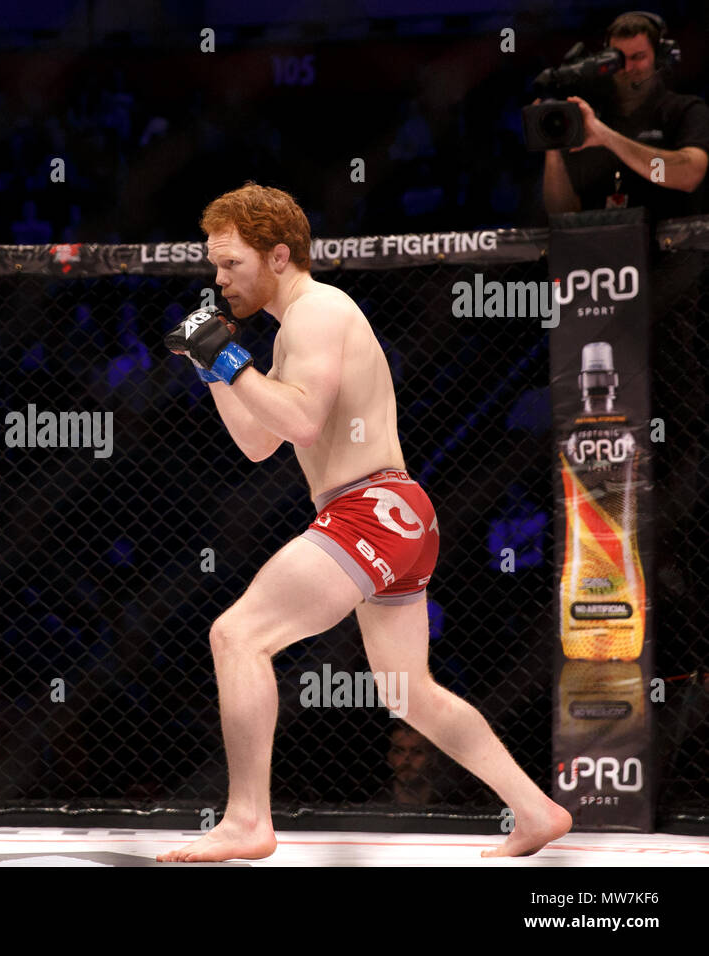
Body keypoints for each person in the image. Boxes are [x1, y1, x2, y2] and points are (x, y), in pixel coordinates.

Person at [158, 182, 572, 862]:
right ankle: (535, 809)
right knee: (409, 693)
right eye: (215, 264)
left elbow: (301, 420)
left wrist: (232, 359)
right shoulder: (297, 330)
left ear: (279, 256)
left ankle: (246, 820)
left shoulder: (318, 313)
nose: (219, 277)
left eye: (231, 262)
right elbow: (260, 443)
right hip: (395, 515)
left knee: (237, 636)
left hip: (370, 511)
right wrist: (215, 369)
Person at [542, 12, 709, 222]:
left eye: (638, 57)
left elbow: (689, 175)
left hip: (671, 250)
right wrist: (552, 144)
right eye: (619, 58)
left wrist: (607, 138)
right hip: (599, 249)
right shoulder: (590, 117)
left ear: (658, 58)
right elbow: (563, 213)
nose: (628, 68)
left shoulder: (686, 110)